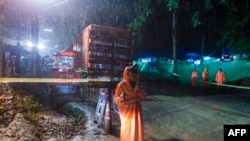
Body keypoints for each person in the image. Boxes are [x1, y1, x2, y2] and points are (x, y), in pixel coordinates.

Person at [113, 64, 146, 141]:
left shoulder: (138, 85)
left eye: (136, 73)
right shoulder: (121, 85)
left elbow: (143, 97)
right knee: (127, 131)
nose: (134, 75)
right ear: (127, 74)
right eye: (132, 73)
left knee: (137, 131)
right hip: (127, 115)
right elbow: (115, 98)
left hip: (137, 114)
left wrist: (139, 90)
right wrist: (120, 98)